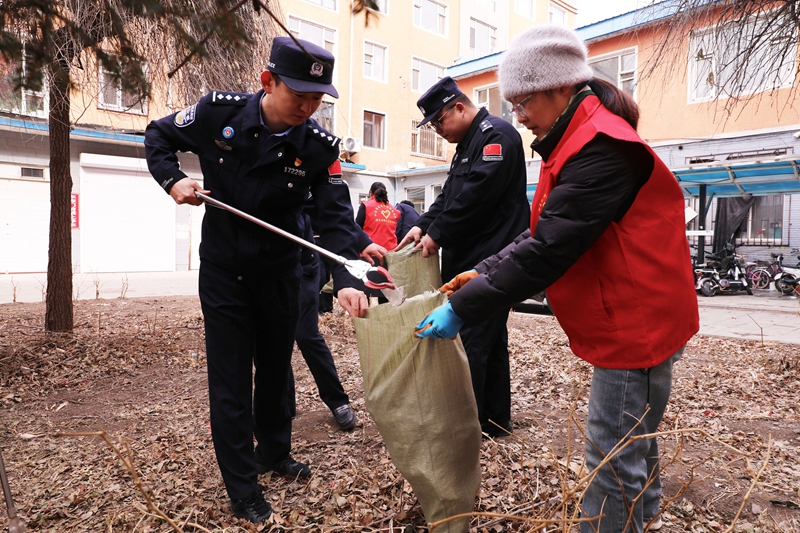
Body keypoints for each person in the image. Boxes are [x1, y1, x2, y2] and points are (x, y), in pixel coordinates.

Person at [415, 25, 699, 533]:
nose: (519, 117)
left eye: (523, 103)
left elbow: (548, 250)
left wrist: (462, 309)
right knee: (634, 437)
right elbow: (542, 234)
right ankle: (645, 515)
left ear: (559, 88)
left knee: (610, 455)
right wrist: (479, 272)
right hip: (639, 310)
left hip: (636, 324)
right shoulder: (573, 139)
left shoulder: (599, 148)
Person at [144, 36, 371, 525]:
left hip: (282, 273)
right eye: (299, 96)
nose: (308, 109)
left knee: (274, 369)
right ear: (268, 82)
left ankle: (274, 451)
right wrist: (172, 180)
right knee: (230, 379)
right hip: (226, 273)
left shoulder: (317, 147)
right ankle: (242, 486)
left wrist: (346, 275)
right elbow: (157, 137)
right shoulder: (215, 115)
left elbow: (333, 219)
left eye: (317, 99)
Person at [396, 76, 530, 438]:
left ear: (459, 107)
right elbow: (449, 197)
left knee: (472, 340)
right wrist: (422, 225)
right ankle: (494, 419)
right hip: (469, 257)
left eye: (439, 121)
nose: (437, 130)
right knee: (489, 339)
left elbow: (477, 195)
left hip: (490, 260)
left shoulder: (496, 136)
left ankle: (465, 428)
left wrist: (439, 234)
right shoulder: (467, 146)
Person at [356, 181, 400, 249]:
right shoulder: (394, 210)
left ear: (371, 193)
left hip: (371, 250)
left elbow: (357, 227)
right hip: (390, 252)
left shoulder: (366, 206)